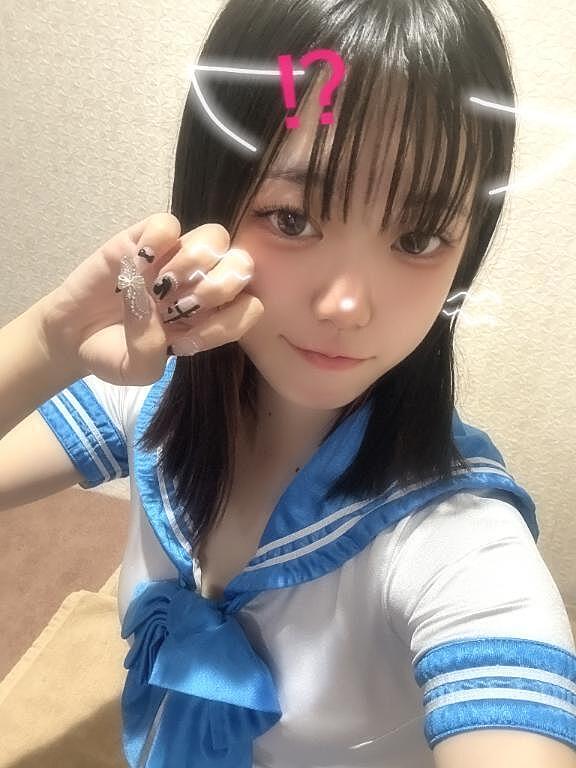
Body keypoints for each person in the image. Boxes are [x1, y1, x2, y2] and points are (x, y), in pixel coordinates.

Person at [1, 0, 575, 766]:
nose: (347, 304)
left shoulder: (457, 543)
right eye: (293, 218)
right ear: (215, 200)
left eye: (418, 237)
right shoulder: (154, 396)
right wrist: (48, 341)